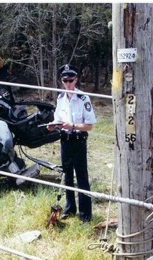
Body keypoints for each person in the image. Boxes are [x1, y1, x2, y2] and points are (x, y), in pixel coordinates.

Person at [47, 64, 96, 222]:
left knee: (82, 178)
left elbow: (89, 126)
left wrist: (73, 126)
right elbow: (58, 118)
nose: (68, 84)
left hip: (78, 141)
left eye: (71, 80)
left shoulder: (83, 98)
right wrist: (52, 125)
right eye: (65, 80)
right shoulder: (61, 98)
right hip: (65, 140)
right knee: (66, 175)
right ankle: (70, 208)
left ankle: (85, 215)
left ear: (76, 80)